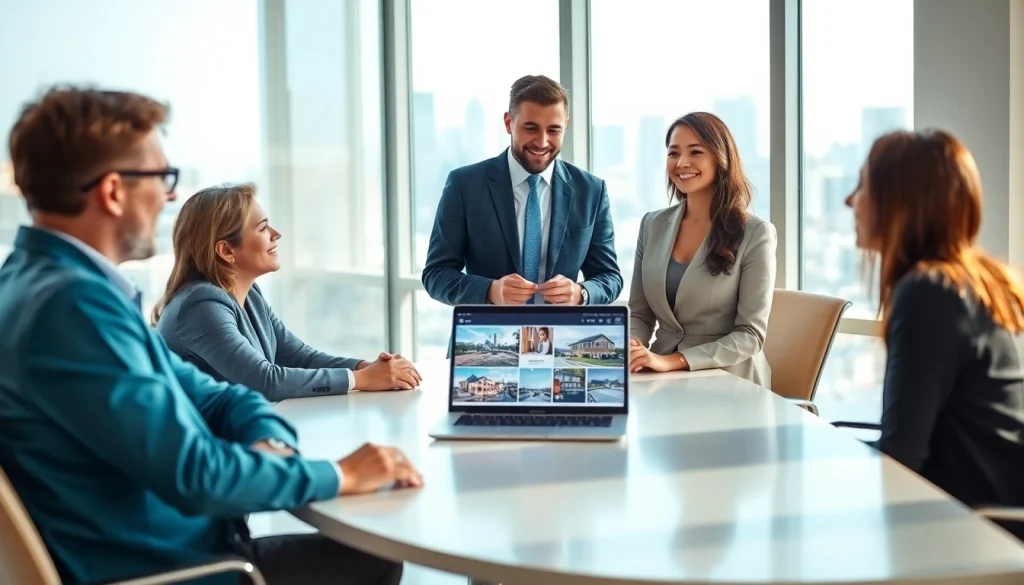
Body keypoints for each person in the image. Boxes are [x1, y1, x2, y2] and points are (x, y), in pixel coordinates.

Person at [0, 86, 421, 585]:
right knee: (370, 561)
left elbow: (216, 395)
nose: (170, 195)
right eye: (162, 176)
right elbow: (195, 474)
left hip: (169, 544)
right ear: (113, 191)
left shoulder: (40, 281)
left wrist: (270, 438)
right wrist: (342, 475)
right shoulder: (72, 307)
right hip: (175, 567)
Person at [846, 129, 1024, 510]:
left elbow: (900, 459)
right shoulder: (965, 280)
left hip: (977, 526)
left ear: (899, 202)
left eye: (862, 187)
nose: (850, 201)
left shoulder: (928, 293)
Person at [153, 183, 422, 401]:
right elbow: (264, 381)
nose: (276, 234)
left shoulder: (249, 295)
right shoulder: (200, 304)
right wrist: (362, 380)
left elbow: (299, 356)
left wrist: (367, 367)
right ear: (226, 251)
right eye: (262, 228)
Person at [421, 74, 622, 307]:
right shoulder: (464, 185)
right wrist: (489, 291)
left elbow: (610, 277)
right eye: (531, 128)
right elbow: (436, 274)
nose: (542, 141)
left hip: (562, 340)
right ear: (508, 123)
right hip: (484, 339)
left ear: (566, 126)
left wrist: (581, 293)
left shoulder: (591, 192)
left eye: (554, 130)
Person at [627, 112, 776, 387]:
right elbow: (640, 313)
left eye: (695, 152)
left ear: (720, 158)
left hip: (731, 380)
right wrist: (634, 348)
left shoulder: (755, 233)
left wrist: (674, 361)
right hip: (661, 377)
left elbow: (750, 335)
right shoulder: (652, 224)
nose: (682, 163)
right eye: (673, 153)